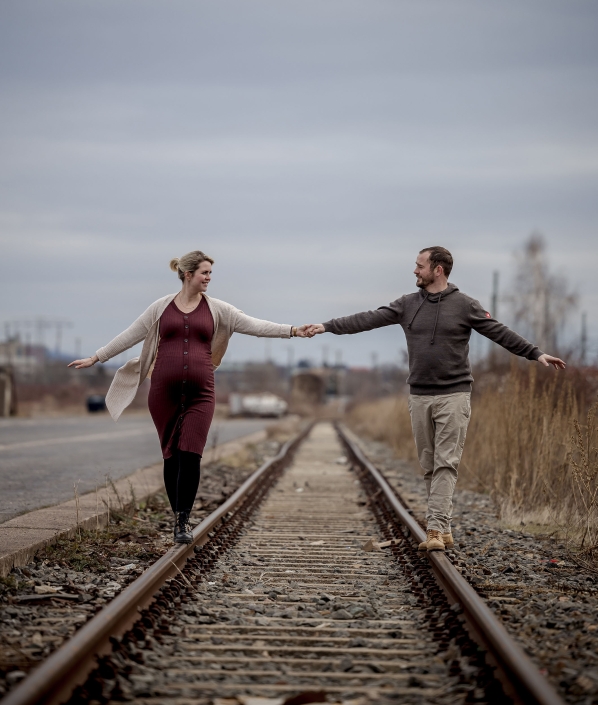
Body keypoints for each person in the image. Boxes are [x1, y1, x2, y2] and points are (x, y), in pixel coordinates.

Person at [304, 246, 565, 552]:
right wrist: (327, 326)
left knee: (445, 464)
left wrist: (535, 353)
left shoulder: (465, 305)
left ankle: (435, 529)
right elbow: (367, 319)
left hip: (454, 395)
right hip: (419, 396)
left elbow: (499, 333)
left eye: (420, 266)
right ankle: (444, 526)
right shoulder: (407, 305)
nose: (415, 271)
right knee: (429, 465)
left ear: (437, 270)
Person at [68, 250, 310, 544]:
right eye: (204, 273)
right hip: (162, 392)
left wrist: (293, 331)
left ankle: (183, 520)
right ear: (188, 274)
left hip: (201, 393)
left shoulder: (218, 309)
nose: (209, 278)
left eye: (210, 273)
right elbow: (130, 335)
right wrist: (96, 357)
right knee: (171, 455)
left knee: (191, 453)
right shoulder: (160, 307)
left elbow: (256, 325)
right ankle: (177, 515)